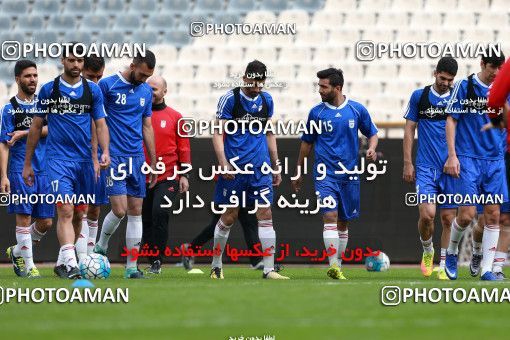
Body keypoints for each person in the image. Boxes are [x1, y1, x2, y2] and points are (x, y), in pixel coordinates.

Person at [23, 44, 110, 279]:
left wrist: (104, 152)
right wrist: (28, 163)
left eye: (80, 61)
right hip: (57, 160)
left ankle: (63, 262)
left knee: (79, 215)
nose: (76, 65)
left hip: (83, 161)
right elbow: (36, 126)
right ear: (62, 60)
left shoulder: (92, 91)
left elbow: (100, 123)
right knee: (65, 208)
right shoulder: (49, 90)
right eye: (71, 60)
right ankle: (72, 264)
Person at [292, 68, 378, 280]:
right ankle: (333, 265)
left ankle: (338, 265)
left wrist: (372, 148)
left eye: (324, 86)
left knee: (343, 221)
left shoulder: (357, 110)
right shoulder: (316, 113)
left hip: (349, 174)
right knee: (329, 216)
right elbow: (306, 144)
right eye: (319, 85)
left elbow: (373, 133)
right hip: (325, 174)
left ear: (337, 88)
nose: (319, 90)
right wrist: (299, 171)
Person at [210, 60, 289, 279]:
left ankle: (269, 269)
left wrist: (276, 166)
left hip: (260, 169)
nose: (257, 87)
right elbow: (217, 133)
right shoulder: (230, 99)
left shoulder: (266, 100)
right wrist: (223, 162)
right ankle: (216, 265)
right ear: (245, 77)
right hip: (235, 168)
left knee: (265, 214)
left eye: (261, 83)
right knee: (229, 216)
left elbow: (269, 133)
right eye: (253, 82)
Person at [443, 48, 506, 280]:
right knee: (468, 214)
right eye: (493, 68)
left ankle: (487, 270)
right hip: (468, 158)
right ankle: (451, 252)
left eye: (500, 68)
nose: (496, 73)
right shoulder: (464, 87)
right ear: (482, 64)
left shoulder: (504, 90)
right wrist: (452, 155)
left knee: (493, 215)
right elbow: (451, 120)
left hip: (495, 161)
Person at [94, 50, 157, 279]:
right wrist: (100, 152)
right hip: (114, 156)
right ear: (132, 65)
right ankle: (101, 246)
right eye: (141, 74)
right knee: (119, 210)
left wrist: (154, 159)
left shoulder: (146, 91)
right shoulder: (107, 86)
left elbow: (147, 126)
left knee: (136, 212)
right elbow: (97, 122)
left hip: (136, 158)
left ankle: (131, 266)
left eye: (148, 76)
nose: (143, 79)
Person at [403, 57, 458, 280]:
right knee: (427, 216)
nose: (445, 83)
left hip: (450, 167)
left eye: (450, 80)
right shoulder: (420, 96)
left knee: (447, 219)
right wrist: (408, 162)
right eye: (443, 78)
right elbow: (409, 130)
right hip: (426, 167)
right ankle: (428, 251)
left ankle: (444, 264)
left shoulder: (457, 98)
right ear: (435, 73)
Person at [1, 60, 53, 278]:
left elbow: (53, 129)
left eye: (35, 75)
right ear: (17, 79)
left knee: (46, 222)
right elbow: (3, 144)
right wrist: (3, 176)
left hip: (45, 170)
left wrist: (26, 132)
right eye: (27, 76)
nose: (33, 79)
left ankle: (17, 250)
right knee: (23, 217)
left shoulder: (44, 105)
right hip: (20, 170)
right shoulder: (9, 109)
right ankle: (28, 265)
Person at [142, 75, 191, 274]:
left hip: (168, 175)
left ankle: (157, 261)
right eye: (148, 89)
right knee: (144, 218)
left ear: (164, 92)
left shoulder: (176, 117)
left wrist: (185, 175)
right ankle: (151, 258)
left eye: (154, 89)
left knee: (160, 212)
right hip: (142, 175)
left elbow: (184, 148)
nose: (150, 93)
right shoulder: (137, 114)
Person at [75, 55, 106, 262]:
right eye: (90, 76)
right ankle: (79, 257)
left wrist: (105, 151)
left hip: (96, 158)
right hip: (74, 158)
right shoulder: (66, 93)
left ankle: (91, 255)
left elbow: (102, 124)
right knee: (79, 211)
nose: (95, 82)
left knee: (95, 208)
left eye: (99, 77)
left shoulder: (100, 93)